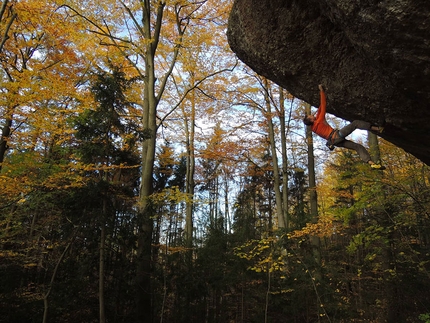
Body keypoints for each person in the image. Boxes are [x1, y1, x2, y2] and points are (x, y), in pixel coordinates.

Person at [303, 84, 385, 170]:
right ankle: (377, 129)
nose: (312, 115)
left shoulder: (314, 128)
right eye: (310, 116)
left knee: (357, 147)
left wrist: (322, 98)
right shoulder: (319, 121)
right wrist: (321, 91)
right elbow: (323, 105)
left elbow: (319, 111)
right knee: (356, 123)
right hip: (337, 135)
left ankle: (371, 163)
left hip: (335, 142)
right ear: (311, 120)